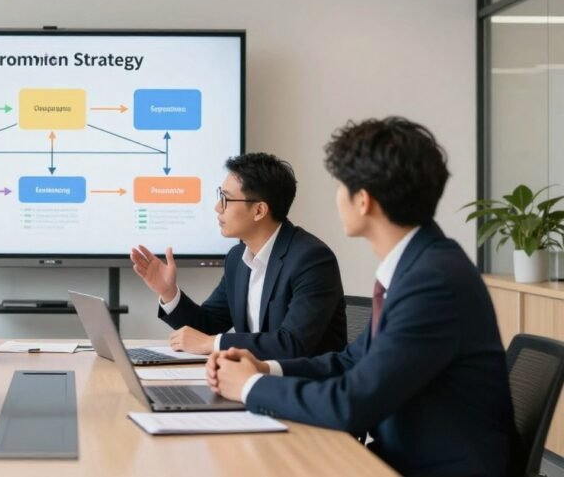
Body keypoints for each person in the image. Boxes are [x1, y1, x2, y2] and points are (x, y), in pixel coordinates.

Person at [206, 118, 513, 477]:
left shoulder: (433, 282)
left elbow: (351, 403)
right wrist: (266, 368)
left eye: (341, 186)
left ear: (363, 200)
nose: (337, 197)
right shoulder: (418, 265)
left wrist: (250, 386)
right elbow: (351, 362)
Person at [131, 152, 346, 358]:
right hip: (253, 377)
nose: (217, 207)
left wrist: (212, 343)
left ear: (259, 211)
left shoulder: (311, 259)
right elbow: (207, 326)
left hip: (303, 381)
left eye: (226, 199)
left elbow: (292, 345)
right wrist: (169, 293)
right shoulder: (237, 258)